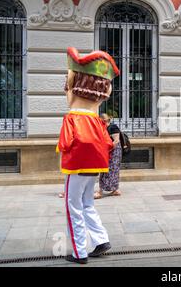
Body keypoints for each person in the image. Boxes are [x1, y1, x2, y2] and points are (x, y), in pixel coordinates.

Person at [56, 47, 120, 264]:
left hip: (77, 165)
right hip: (95, 163)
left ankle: (79, 252)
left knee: (72, 206)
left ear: (74, 87)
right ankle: (101, 239)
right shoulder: (97, 119)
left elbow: (65, 144)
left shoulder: (73, 117)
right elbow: (107, 144)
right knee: (87, 203)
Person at [95, 113, 122, 199]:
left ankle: (111, 190)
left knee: (113, 170)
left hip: (114, 152)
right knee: (104, 170)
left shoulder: (113, 127)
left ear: (105, 121)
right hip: (106, 151)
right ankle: (105, 189)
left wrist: (108, 149)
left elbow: (116, 141)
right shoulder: (102, 128)